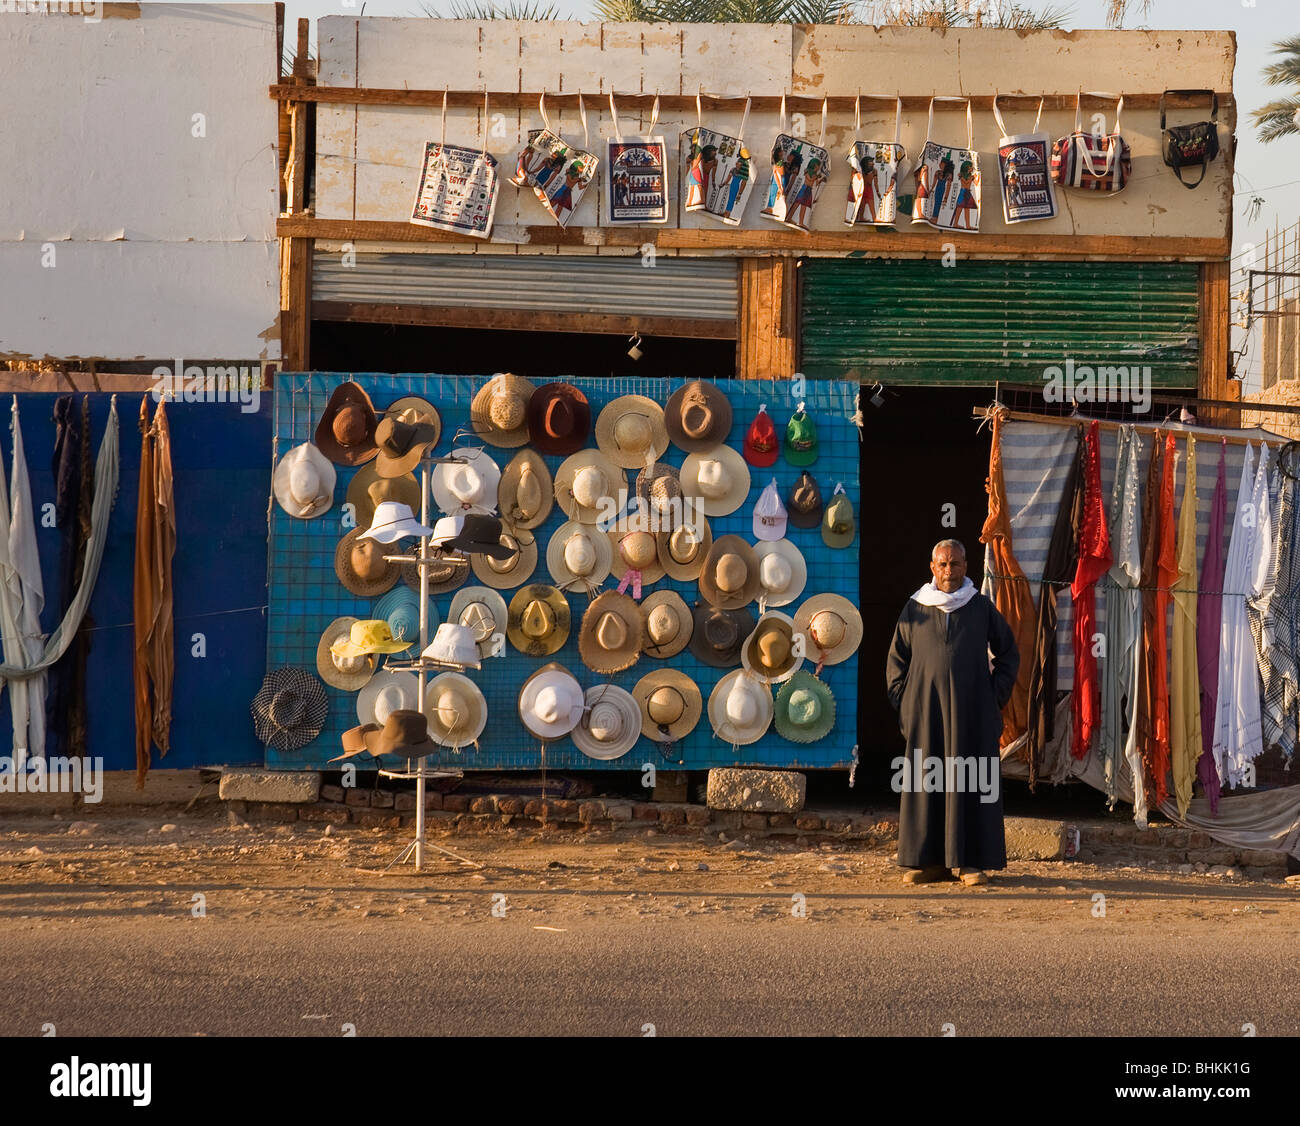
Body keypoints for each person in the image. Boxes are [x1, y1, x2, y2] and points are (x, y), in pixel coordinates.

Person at [886, 539, 1020, 886]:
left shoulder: (980, 607)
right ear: (933, 567)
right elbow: (896, 661)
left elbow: (1008, 655)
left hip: (972, 716)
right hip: (926, 715)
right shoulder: (915, 608)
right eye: (943, 564)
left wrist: (992, 699)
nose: (949, 571)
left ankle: (971, 863)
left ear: (965, 566)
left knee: (970, 781)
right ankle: (931, 863)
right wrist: (906, 705)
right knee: (928, 783)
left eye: (956, 564)